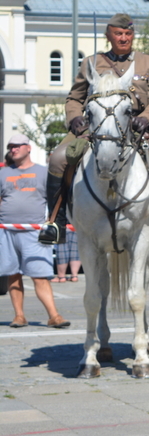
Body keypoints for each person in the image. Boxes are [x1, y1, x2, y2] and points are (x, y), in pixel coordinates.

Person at [46, 13, 149, 240]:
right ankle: (55, 222)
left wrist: (147, 118)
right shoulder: (91, 63)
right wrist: (75, 117)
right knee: (58, 158)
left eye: (128, 33)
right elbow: (74, 98)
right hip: (94, 128)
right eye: (118, 33)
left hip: (138, 127)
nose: (124, 38)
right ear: (109, 35)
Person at [0, 135, 70, 329]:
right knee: (13, 274)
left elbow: (54, 198)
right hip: (6, 231)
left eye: (17, 146)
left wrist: (53, 221)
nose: (13, 149)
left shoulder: (43, 172)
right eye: (10, 147)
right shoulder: (3, 173)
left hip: (35, 231)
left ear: (28, 148)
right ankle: (19, 316)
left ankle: (54, 316)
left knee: (40, 275)